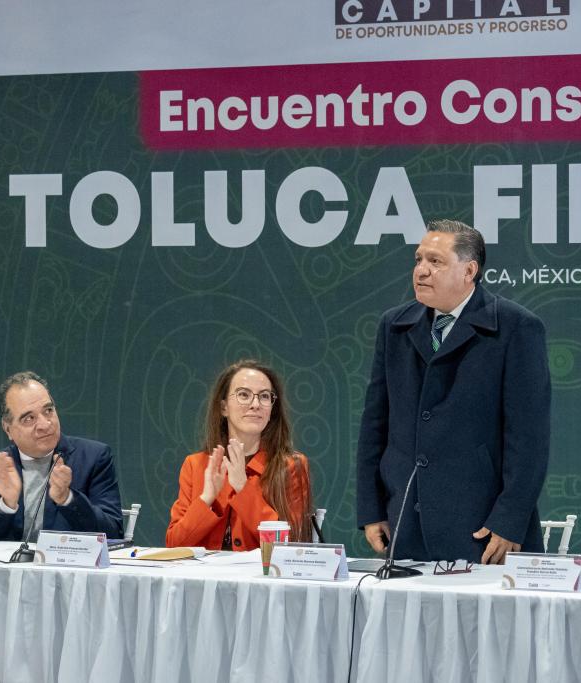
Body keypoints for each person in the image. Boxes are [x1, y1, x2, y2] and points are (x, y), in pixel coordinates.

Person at [356, 219, 551, 564]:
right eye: (419, 259)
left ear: (469, 271)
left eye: (436, 261)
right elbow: (375, 423)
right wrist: (371, 509)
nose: (422, 270)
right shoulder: (394, 326)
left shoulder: (516, 327)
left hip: (483, 530)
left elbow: (529, 438)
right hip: (407, 524)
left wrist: (510, 520)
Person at [167, 360, 313, 550]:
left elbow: (292, 545)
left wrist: (243, 488)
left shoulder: (292, 466)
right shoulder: (195, 465)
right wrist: (207, 498)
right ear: (224, 407)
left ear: (272, 409)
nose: (255, 404)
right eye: (244, 394)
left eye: (264, 396)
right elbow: (174, 545)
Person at [0, 371, 123, 541]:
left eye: (48, 410)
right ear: (8, 429)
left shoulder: (93, 458)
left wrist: (68, 499)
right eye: (29, 418)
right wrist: (6, 504)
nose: (44, 425)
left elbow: (113, 534)